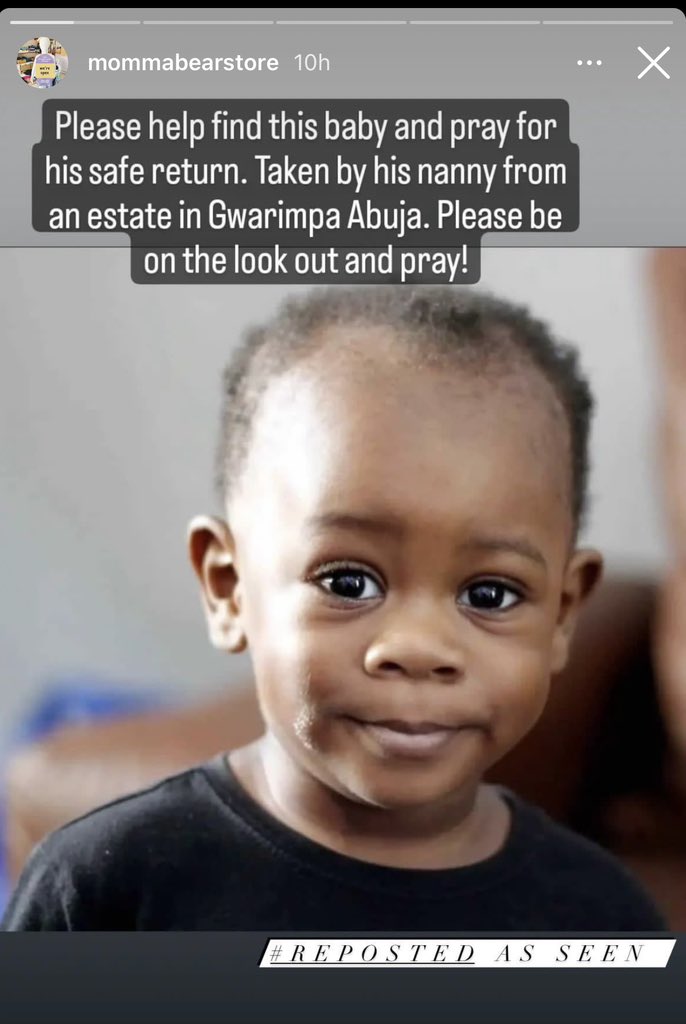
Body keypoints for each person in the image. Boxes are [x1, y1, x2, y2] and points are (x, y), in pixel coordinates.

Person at [1, 286, 666, 930]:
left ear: (562, 615)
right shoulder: (110, 887)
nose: (418, 647)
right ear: (229, 588)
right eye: (349, 582)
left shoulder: (598, 917)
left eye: (488, 595)